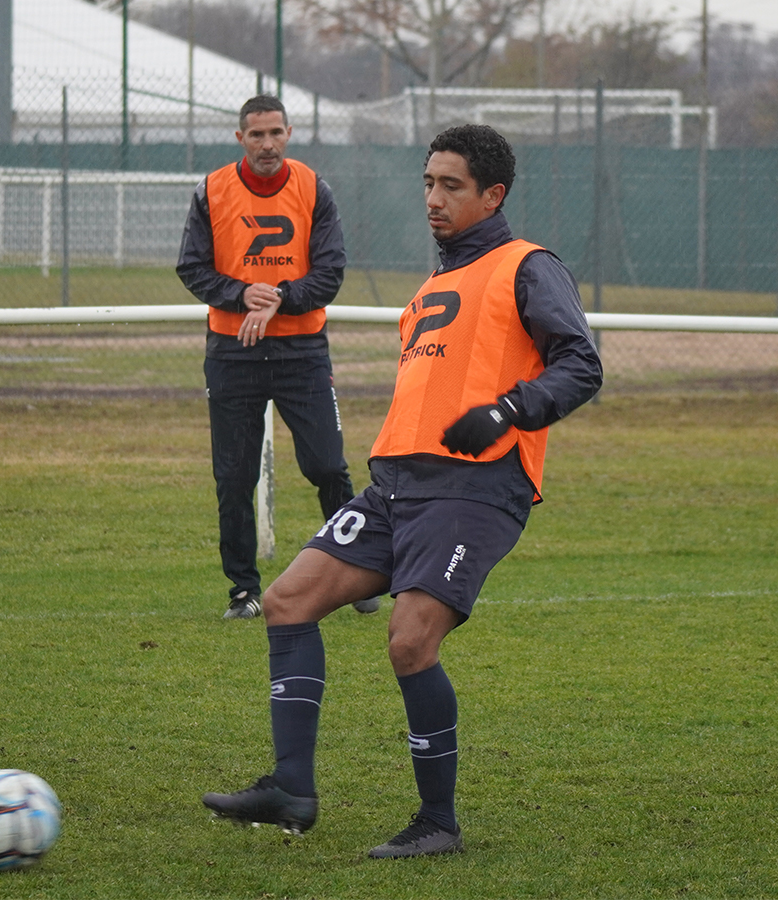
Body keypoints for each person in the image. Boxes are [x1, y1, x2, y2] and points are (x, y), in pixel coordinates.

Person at [201, 124, 603, 857]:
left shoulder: (527, 266)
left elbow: (581, 364)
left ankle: (438, 824)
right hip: (397, 488)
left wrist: (508, 410)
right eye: (428, 183)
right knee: (289, 600)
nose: (434, 199)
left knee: (410, 638)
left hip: (475, 490)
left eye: (452, 186)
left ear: (494, 195)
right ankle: (291, 786)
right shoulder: (429, 291)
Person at [177, 94, 375, 620]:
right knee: (235, 477)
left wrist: (281, 297)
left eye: (275, 133)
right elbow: (191, 267)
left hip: (302, 351)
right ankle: (243, 592)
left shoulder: (314, 189)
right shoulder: (211, 191)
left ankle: (356, 574)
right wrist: (243, 295)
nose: (267, 144)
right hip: (232, 351)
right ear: (240, 138)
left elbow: (330, 272)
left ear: (289, 133)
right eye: (256, 135)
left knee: (328, 465)